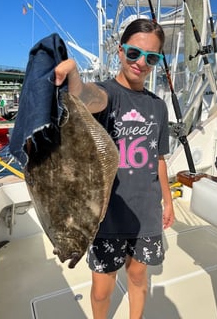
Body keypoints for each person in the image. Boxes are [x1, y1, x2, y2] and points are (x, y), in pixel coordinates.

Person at [55, 18, 175, 319]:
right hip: (105, 213)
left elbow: (159, 158)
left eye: (151, 57)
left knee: (137, 276)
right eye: (134, 53)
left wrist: (168, 200)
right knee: (101, 288)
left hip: (146, 211)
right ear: (120, 52)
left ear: (157, 61)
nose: (141, 63)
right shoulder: (106, 94)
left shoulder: (158, 106)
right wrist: (73, 76)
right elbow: (86, 97)